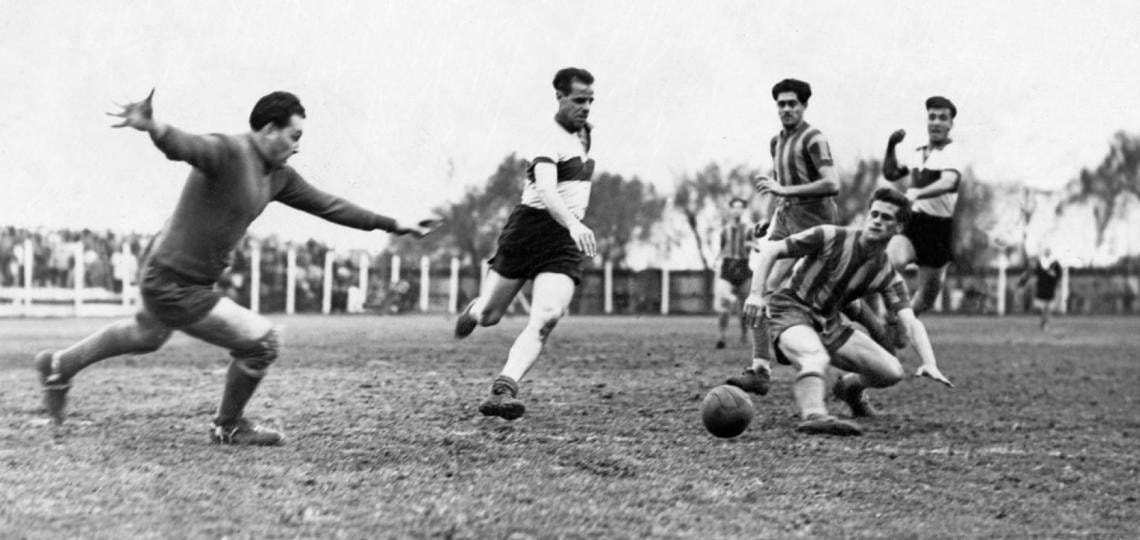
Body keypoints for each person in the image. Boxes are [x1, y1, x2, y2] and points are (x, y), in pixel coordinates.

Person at [33, 89, 438, 444]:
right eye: (294, 136)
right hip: (173, 281)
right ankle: (228, 426)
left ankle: (59, 365)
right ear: (268, 130)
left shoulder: (278, 176)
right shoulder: (229, 151)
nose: (298, 146)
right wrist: (153, 125)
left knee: (146, 334)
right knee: (261, 343)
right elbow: (185, 145)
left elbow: (330, 206)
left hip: (177, 274)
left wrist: (393, 224)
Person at [743, 188, 953, 436]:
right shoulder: (830, 236)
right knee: (815, 357)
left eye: (886, 217)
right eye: (874, 214)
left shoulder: (886, 274)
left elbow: (910, 321)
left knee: (891, 371)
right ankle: (815, 415)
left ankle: (848, 388)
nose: (877, 220)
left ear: (898, 228)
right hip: (791, 309)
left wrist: (929, 362)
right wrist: (756, 294)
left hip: (829, 323)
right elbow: (772, 250)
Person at [454, 67, 597, 420]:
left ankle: (504, 388)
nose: (586, 107)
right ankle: (476, 308)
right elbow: (546, 189)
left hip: (562, 242)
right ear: (559, 98)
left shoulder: (587, 133)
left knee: (547, 317)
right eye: (579, 100)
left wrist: (571, 227)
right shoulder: (545, 137)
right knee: (490, 316)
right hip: (529, 230)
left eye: (591, 100)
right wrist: (575, 223)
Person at [726, 78, 840, 396]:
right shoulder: (776, 143)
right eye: (781, 103)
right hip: (785, 225)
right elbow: (782, 187)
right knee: (760, 290)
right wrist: (770, 217)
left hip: (816, 231)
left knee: (835, 303)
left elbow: (833, 184)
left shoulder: (814, 138)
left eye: (793, 103)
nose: (787, 109)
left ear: (804, 106)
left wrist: (784, 191)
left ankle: (857, 374)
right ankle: (760, 369)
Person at [882, 96, 965, 315]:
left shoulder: (952, 151)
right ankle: (893, 315)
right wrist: (891, 146)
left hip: (939, 229)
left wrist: (918, 192)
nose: (936, 122)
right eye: (932, 117)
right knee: (890, 262)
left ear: (950, 124)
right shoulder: (917, 152)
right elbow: (890, 173)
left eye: (942, 118)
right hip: (915, 222)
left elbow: (949, 182)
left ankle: (908, 319)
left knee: (927, 296)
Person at [713, 197, 755, 349]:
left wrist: (753, 245)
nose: (737, 210)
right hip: (728, 268)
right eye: (734, 207)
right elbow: (722, 248)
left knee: (746, 308)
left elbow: (755, 244)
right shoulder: (724, 230)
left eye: (740, 207)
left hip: (744, 268)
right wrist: (716, 261)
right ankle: (722, 336)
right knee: (724, 305)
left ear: (743, 210)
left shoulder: (750, 229)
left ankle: (744, 335)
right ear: (730, 209)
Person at [1017, 247, 1063, 330]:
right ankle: (1044, 322)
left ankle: (1045, 323)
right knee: (1041, 308)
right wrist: (1022, 282)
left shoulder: (1055, 265)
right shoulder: (1041, 265)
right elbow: (1031, 272)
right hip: (1041, 289)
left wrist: (1054, 276)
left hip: (1050, 289)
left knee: (1048, 307)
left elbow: (1059, 275)